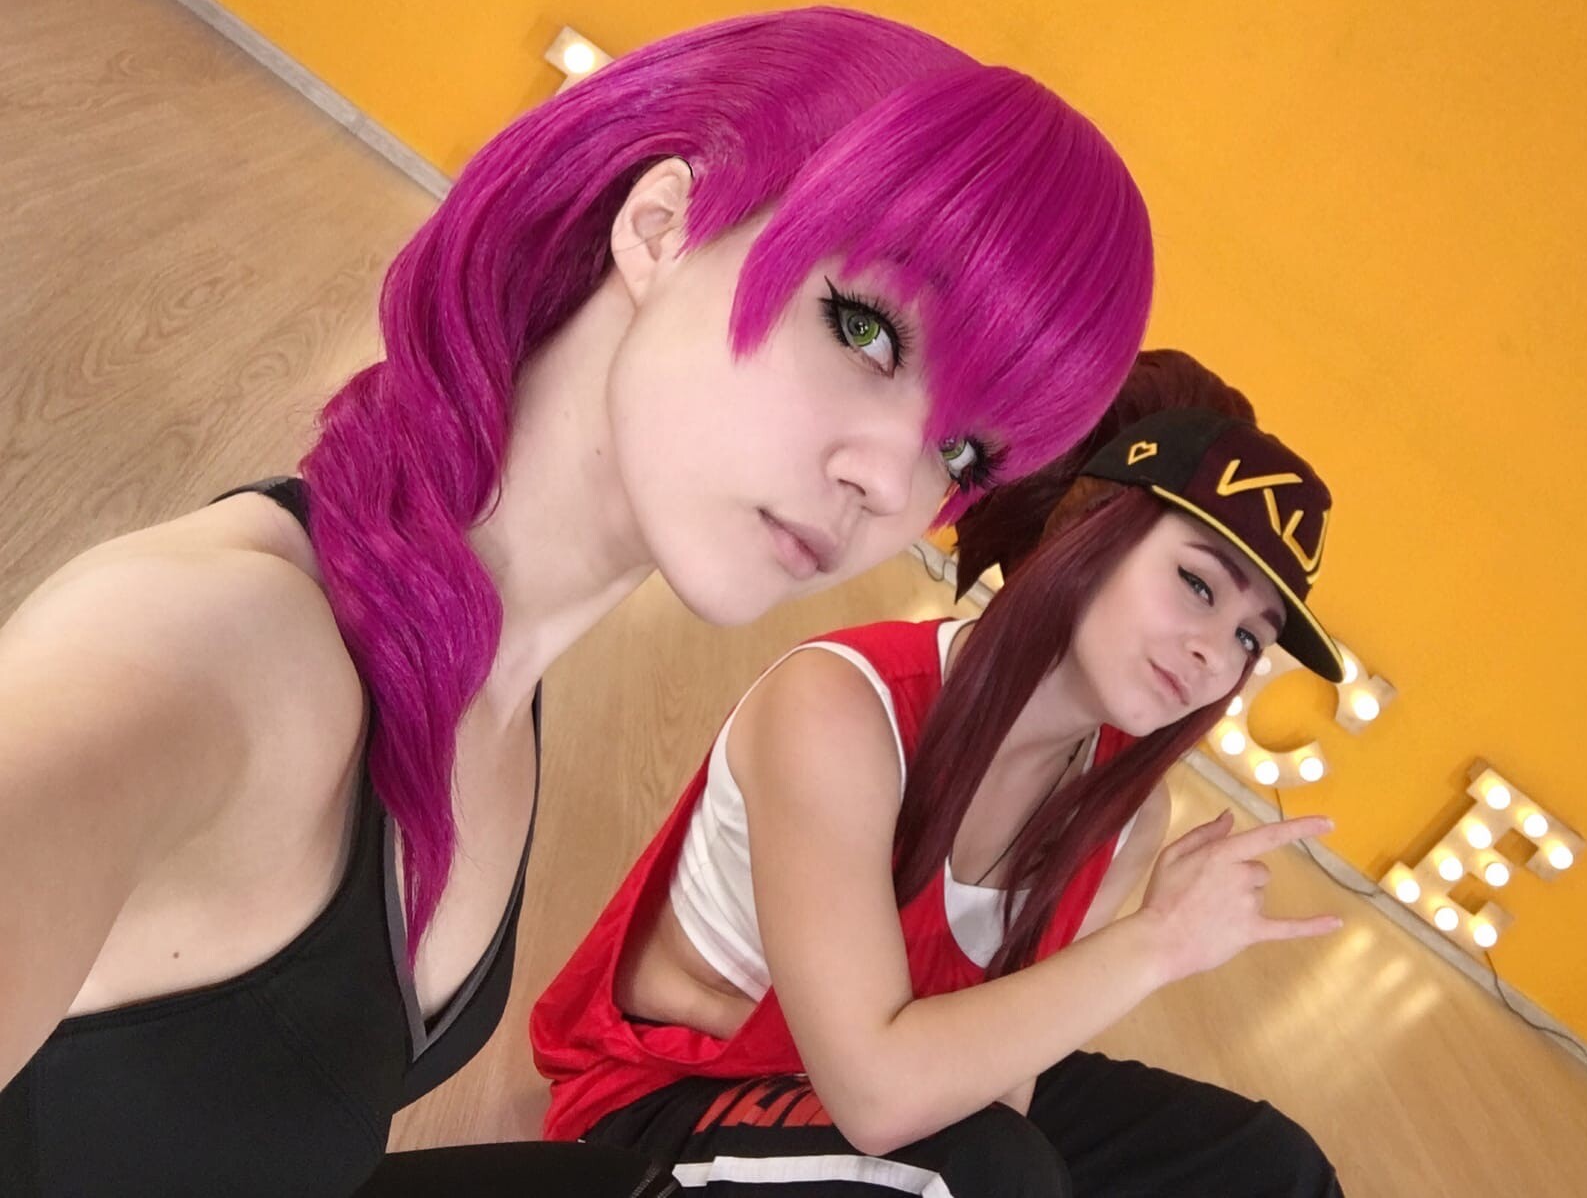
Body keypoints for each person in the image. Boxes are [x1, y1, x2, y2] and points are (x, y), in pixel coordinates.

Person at [0, 7, 1153, 1197]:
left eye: (962, 452)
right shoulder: (214, 651)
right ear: (661, 225)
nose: (892, 483)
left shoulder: (497, 680)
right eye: (866, 330)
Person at [532, 351, 1349, 1196]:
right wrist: (1160, 938)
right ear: (1090, 528)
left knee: (1271, 1166)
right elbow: (877, 1099)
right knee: (988, 1167)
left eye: (1250, 637)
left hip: (902, 1076)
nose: (1214, 652)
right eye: (1197, 583)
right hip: (669, 1102)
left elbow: (1003, 1084)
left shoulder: (1128, 814)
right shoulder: (840, 707)